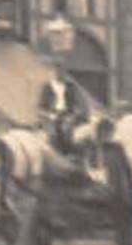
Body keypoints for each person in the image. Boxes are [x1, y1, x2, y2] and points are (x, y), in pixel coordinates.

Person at [34, 17, 90, 159]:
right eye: (58, 70)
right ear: (54, 71)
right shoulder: (47, 87)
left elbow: (78, 104)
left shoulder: (71, 87)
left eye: (63, 70)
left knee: (68, 128)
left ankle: (70, 153)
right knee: (50, 131)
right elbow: (41, 106)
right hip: (52, 115)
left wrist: (73, 115)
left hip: (67, 115)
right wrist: (47, 114)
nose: (60, 73)